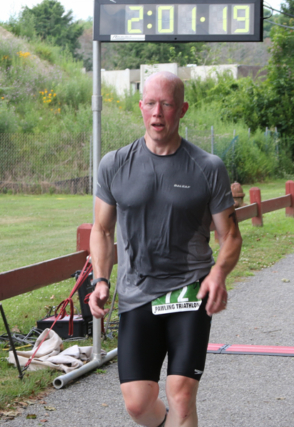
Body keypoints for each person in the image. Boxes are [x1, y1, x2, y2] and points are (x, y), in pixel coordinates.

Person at [88, 71, 242, 427]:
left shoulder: (207, 167)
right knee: (138, 404)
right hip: (137, 293)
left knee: (181, 394)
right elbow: (101, 229)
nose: (158, 113)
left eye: (167, 104)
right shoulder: (114, 164)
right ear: (140, 107)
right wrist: (100, 280)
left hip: (190, 289)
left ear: (182, 109)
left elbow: (230, 236)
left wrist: (218, 273)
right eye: (151, 104)